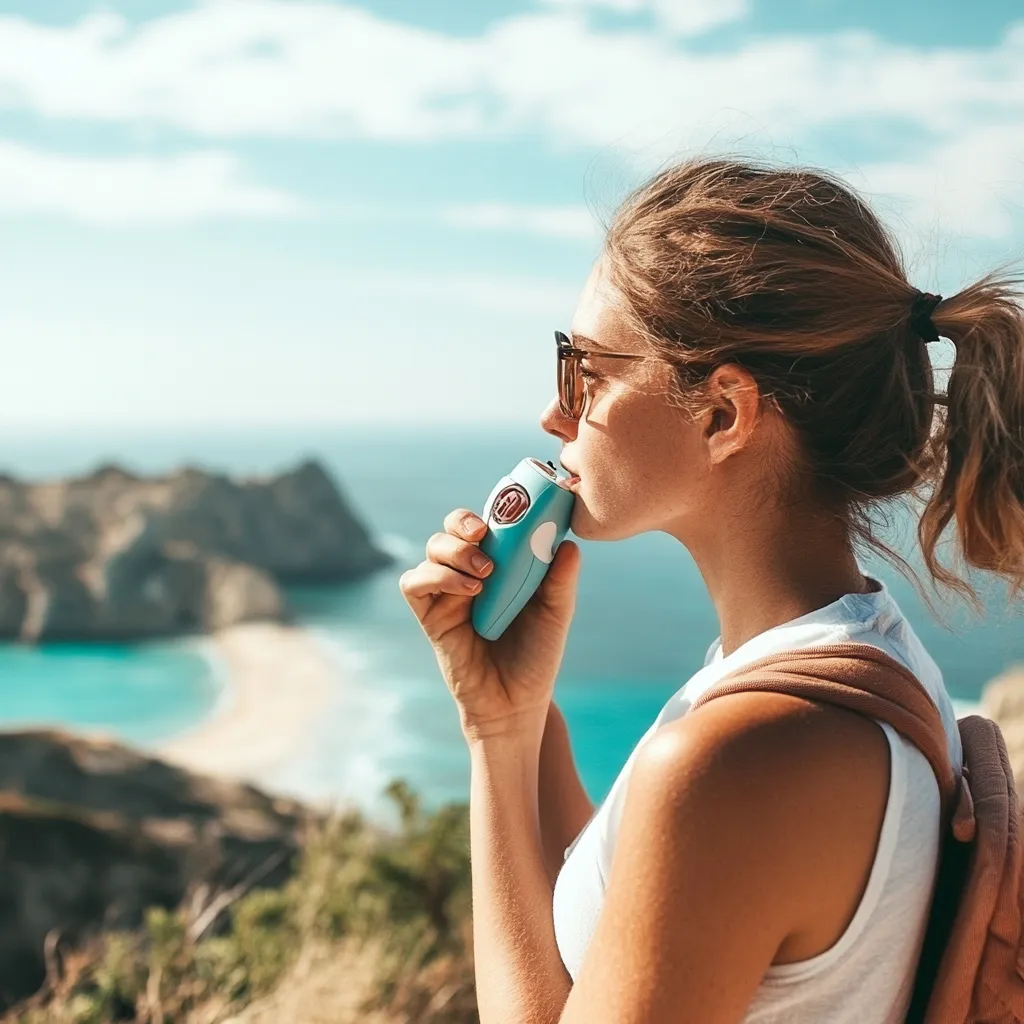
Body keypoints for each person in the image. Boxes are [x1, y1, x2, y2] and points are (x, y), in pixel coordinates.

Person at [398, 159, 1024, 1023]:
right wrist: (514, 721)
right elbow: (616, 921)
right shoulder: (854, 670)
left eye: (586, 370)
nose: (556, 415)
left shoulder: (743, 756)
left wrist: (490, 746)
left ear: (724, 413)